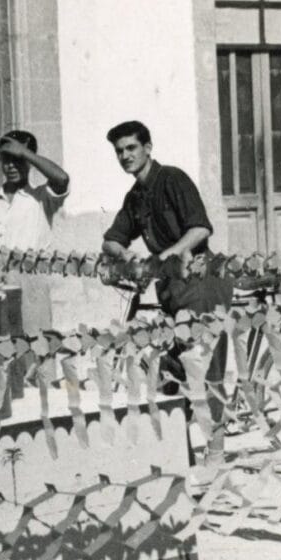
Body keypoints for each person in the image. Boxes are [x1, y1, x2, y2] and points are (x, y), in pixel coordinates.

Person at [100, 120, 234, 459]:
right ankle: (179, 449)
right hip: (172, 289)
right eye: (119, 151)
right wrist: (127, 255)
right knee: (170, 363)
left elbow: (200, 228)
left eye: (131, 148)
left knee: (204, 365)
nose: (125, 156)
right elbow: (111, 240)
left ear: (147, 148)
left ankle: (215, 448)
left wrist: (166, 255)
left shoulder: (172, 179)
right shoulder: (134, 197)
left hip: (202, 282)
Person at [0, 130, 70, 253]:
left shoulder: (41, 198)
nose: (11, 166)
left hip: (30, 270)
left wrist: (24, 152)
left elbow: (62, 179)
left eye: (18, 159)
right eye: (6, 160)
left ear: (30, 161)